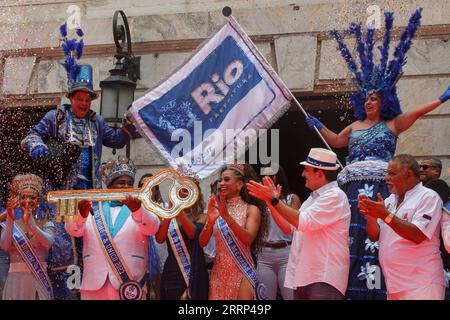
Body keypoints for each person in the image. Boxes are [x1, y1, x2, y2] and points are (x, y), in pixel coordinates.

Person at [306, 9, 450, 299]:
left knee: (381, 232)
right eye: (367, 98)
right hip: (351, 190)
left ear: (385, 101)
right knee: (355, 236)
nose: (370, 101)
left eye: (375, 98)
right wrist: (318, 124)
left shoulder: (392, 124)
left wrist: (442, 98)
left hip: (382, 189)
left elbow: (419, 112)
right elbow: (335, 141)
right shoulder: (356, 125)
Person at [20, 24, 135, 300]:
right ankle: (63, 292)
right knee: (62, 246)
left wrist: (132, 124)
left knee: (90, 240)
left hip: (91, 194)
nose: (84, 104)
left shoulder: (96, 122)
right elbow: (29, 137)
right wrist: (39, 151)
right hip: (61, 193)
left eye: (87, 99)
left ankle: (93, 287)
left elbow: (117, 141)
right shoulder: (56, 118)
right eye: (79, 99)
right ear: (70, 98)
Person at [248, 148, 351, 300]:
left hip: (323, 277)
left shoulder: (335, 196)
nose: (303, 174)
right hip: (305, 277)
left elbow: (302, 221)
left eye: (307, 170)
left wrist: (274, 201)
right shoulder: (313, 198)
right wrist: (269, 202)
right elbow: (288, 228)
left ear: (320, 174)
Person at [65, 157, 160, 300]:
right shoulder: (93, 206)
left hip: (130, 284)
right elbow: (72, 230)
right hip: (94, 283)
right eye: (121, 183)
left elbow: (152, 229)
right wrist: (81, 216)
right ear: (110, 186)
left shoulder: (142, 206)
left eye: (129, 183)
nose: (126, 187)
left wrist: (138, 211)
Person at [358, 154, 445, 300]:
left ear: (409, 174)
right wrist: (372, 218)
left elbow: (417, 235)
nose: (386, 178)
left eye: (392, 173)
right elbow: (375, 236)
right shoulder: (390, 200)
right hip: (394, 286)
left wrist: (385, 215)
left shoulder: (428, 197)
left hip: (421, 285)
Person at [199, 163, 266, 300]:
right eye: (220, 180)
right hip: (219, 272)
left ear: (240, 184)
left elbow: (248, 239)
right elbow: (202, 242)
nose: (221, 183)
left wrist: (227, 217)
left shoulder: (251, 209)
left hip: (242, 271)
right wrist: (211, 221)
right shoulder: (215, 208)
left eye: (227, 179)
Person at [0, 174, 55, 300]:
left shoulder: (45, 223)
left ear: (38, 201)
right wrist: (9, 218)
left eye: (32, 197)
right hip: (15, 280)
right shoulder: (12, 224)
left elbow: (48, 243)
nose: (27, 201)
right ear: (18, 200)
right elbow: (4, 245)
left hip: (38, 279)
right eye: (23, 197)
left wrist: (32, 225)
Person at [156, 179, 209, 300]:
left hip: (194, 271)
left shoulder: (203, 215)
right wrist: (170, 213)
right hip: (172, 270)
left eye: (187, 190)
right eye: (181, 190)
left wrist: (178, 209)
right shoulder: (170, 215)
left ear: (195, 193)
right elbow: (160, 238)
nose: (183, 193)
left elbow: (192, 234)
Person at [256, 165, 300, 300]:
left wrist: (274, 199)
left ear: (277, 177)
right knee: (265, 298)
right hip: (264, 253)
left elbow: (293, 222)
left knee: (290, 296)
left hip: (286, 253)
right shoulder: (259, 200)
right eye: (263, 176)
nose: (265, 179)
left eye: (269, 176)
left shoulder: (292, 198)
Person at [418, 157, 450, 299]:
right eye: (419, 167)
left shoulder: (439, 185)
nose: (420, 170)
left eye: (425, 167)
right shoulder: (420, 189)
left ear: (436, 171)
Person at [138, 173, 162, 300]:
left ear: (156, 188)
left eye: (150, 184)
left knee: (158, 290)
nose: (146, 187)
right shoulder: (134, 207)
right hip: (141, 250)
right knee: (143, 290)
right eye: (143, 184)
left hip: (159, 251)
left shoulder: (163, 208)